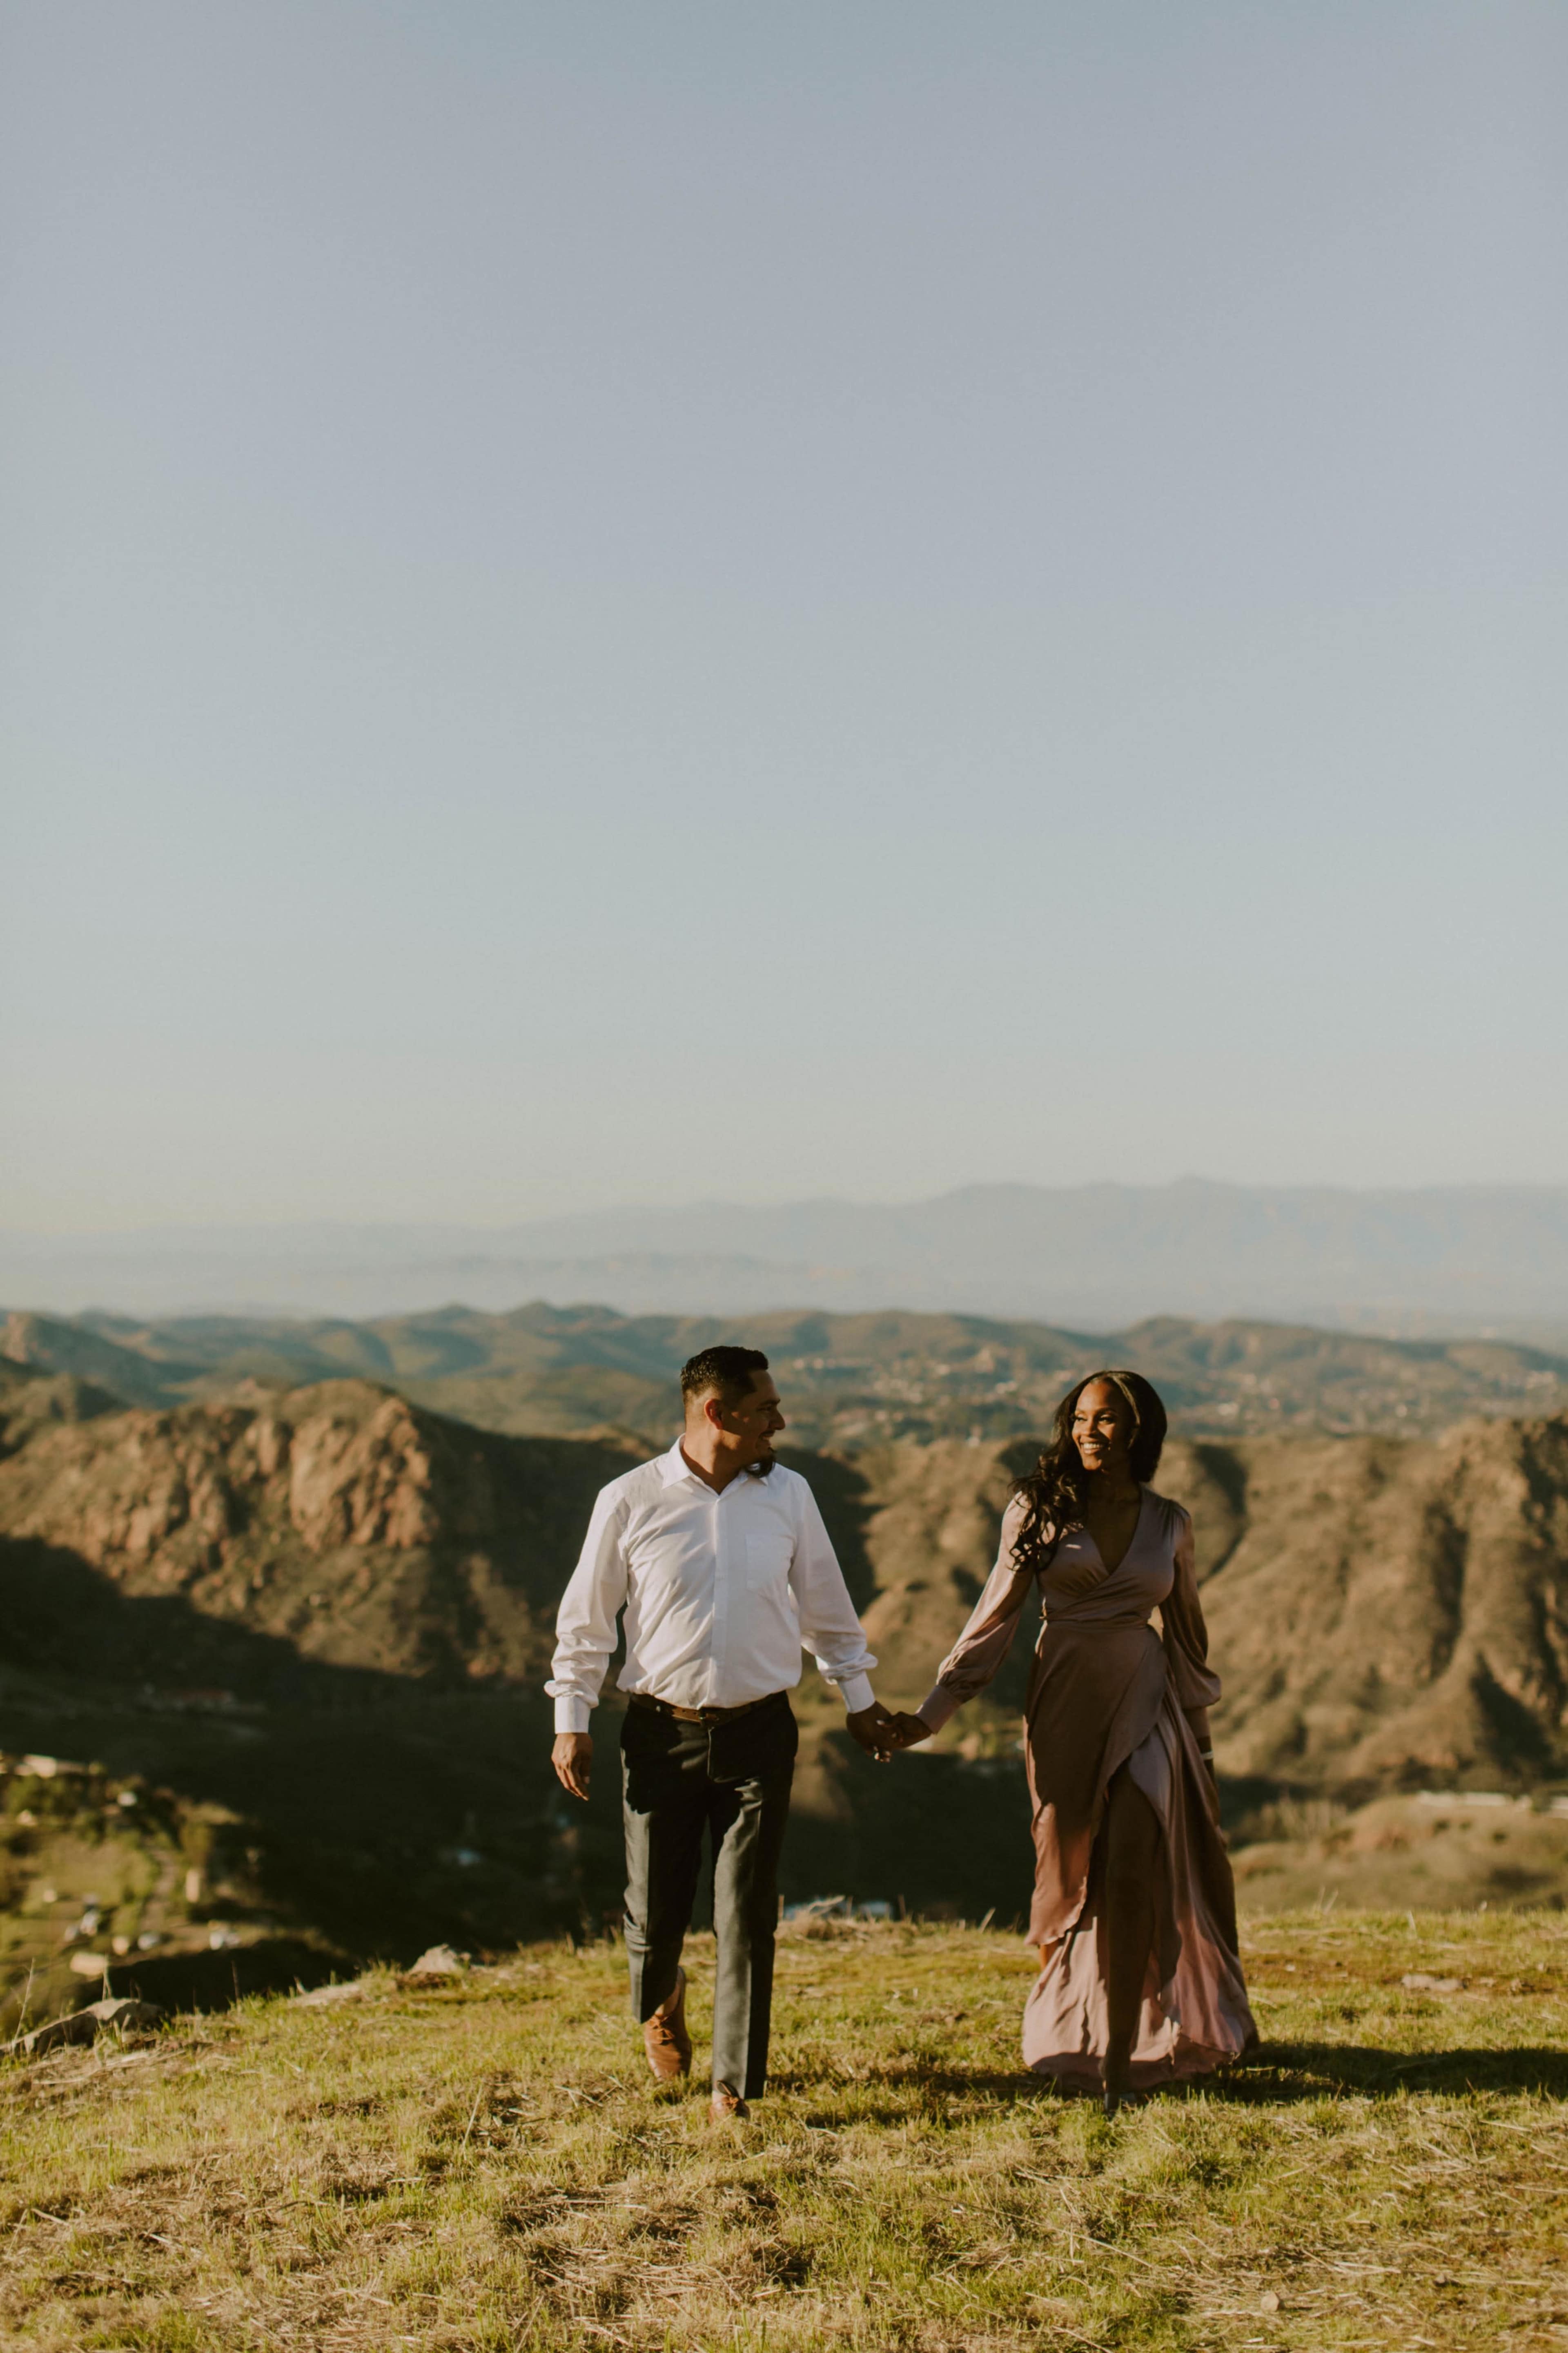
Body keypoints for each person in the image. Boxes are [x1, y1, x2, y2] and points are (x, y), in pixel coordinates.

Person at [883, 1369, 1254, 2112]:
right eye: (1081, 1418)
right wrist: (928, 1717)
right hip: (1064, 1709)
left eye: (1108, 1419)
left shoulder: (1171, 1522)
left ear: (1141, 1429)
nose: (1090, 1431)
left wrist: (1204, 1753)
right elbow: (992, 1621)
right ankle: (1077, 2026)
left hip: (1152, 1709)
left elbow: (1188, 1644)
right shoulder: (1038, 1510)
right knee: (1069, 1882)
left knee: (1130, 1873)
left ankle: (1121, 2063)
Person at [548, 1344, 898, 2123]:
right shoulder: (630, 1499)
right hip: (657, 1734)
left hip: (760, 1734)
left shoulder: (791, 1496)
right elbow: (585, 1624)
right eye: (766, 1408)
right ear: (718, 1412)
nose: (780, 1420)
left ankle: (733, 2085)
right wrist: (572, 1720)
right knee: (653, 1912)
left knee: (745, 1913)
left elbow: (828, 1611)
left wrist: (859, 1698)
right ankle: (661, 1996)